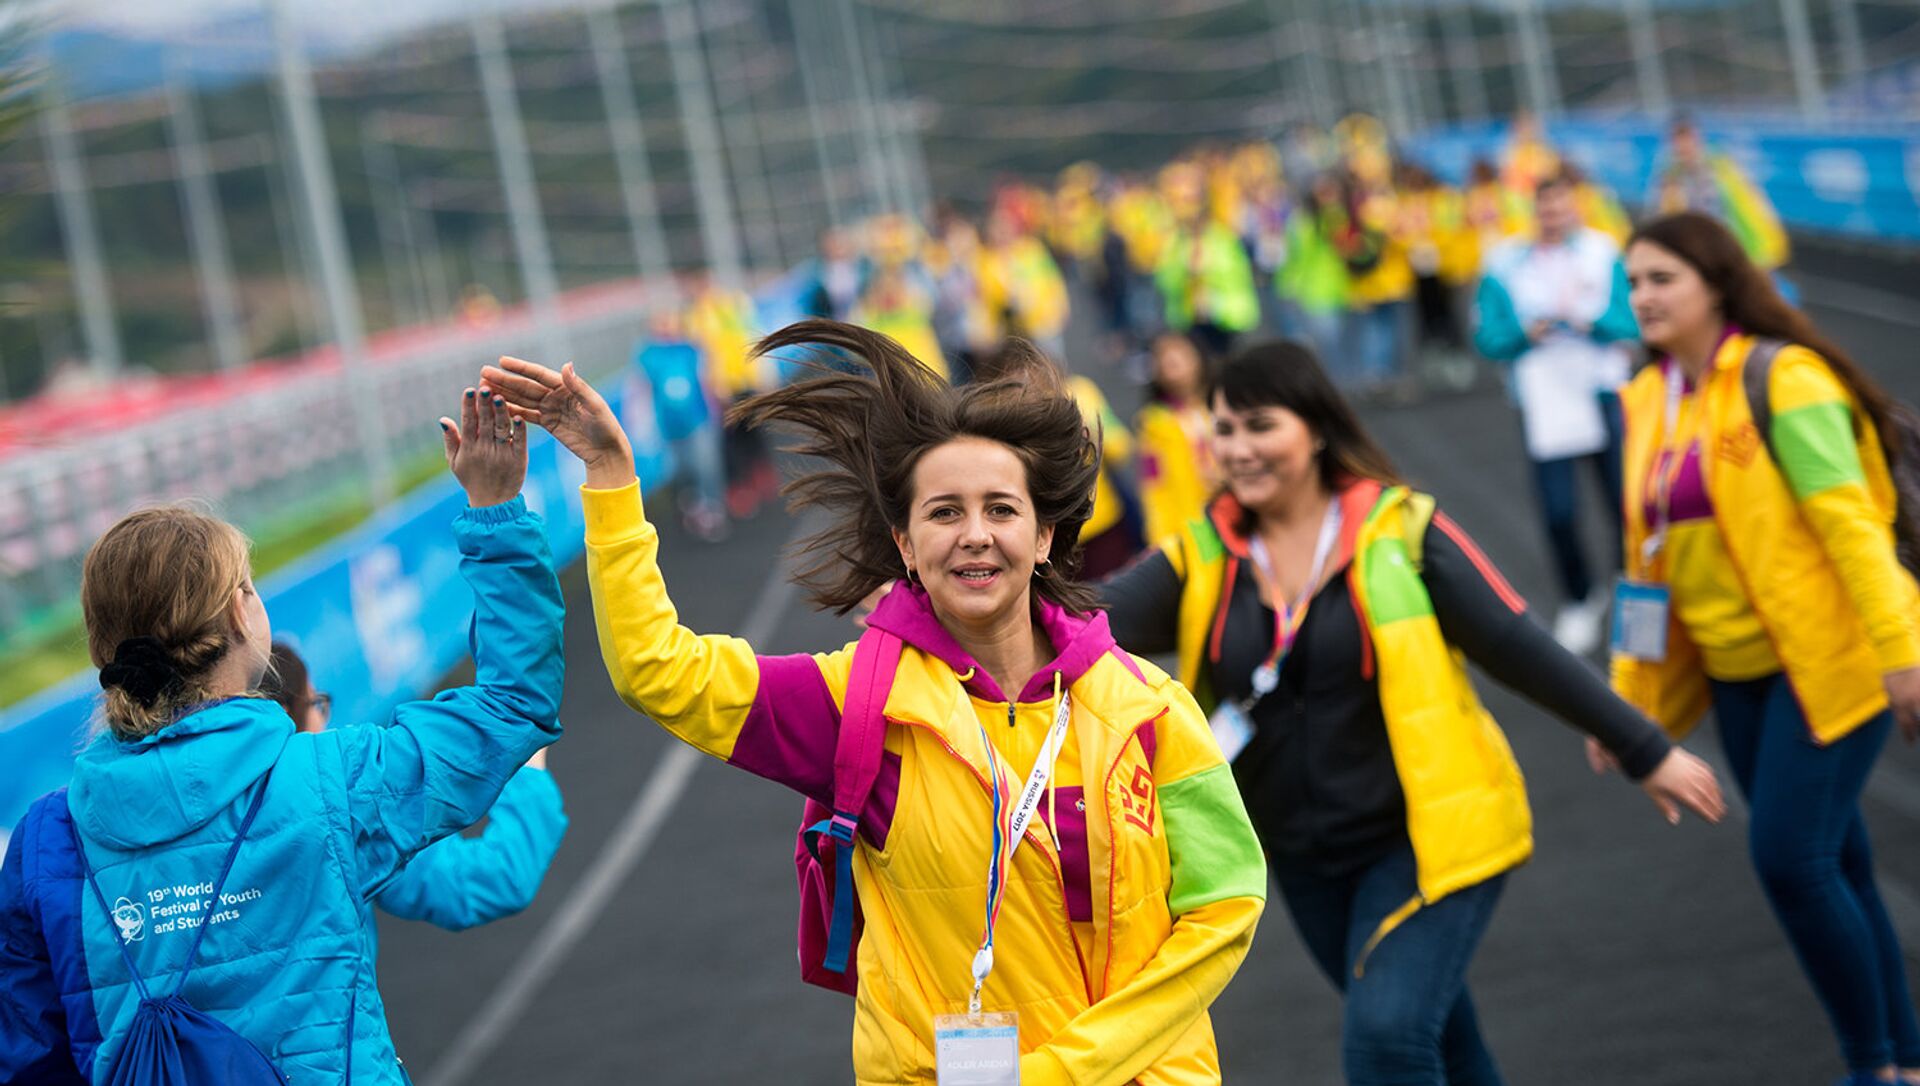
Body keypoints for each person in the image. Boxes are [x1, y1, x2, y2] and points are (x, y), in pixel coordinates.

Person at [484, 320, 1267, 1085]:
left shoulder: (1148, 708)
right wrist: (614, 481)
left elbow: (1224, 903)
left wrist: (1067, 1070)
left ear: (1046, 537)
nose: (973, 535)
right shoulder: (855, 703)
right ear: (904, 545)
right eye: (943, 512)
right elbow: (657, 670)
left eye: (1001, 509)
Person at [1098, 341, 1724, 1085]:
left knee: (1387, 1040)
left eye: (1259, 425)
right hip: (1301, 859)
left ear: (1317, 429)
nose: (1237, 448)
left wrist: (1643, 747)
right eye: (1224, 429)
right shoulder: (1200, 556)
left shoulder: (1403, 532)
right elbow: (1077, 624)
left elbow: (1515, 641)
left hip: (1429, 842)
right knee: (1443, 1042)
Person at [0, 382, 564, 1083]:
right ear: (242, 617)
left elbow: (28, 1063)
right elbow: (514, 703)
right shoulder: (329, 781)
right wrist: (496, 507)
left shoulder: (43, 841)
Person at [1614, 211, 1920, 1086]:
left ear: (1716, 281)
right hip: (1735, 677)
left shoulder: (1783, 379)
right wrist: (1624, 701)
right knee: (1839, 861)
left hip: (1833, 658)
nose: (1643, 297)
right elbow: (1641, 565)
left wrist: (1901, 651)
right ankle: (1903, 1059)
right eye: (1633, 282)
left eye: (1662, 278)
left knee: (1791, 859)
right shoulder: (1648, 400)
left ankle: (1873, 1068)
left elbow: (1853, 527)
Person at [263, 641, 567, 934]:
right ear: (291, 720)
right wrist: (528, 772)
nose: (324, 720)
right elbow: (493, 879)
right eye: (316, 704)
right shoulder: (345, 811)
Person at [1473, 168, 1639, 655]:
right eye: (1545, 206)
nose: (1554, 215)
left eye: (1562, 205)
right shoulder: (1504, 263)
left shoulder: (1604, 251)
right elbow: (1488, 337)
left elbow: (1631, 319)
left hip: (1603, 391)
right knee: (1559, 511)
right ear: (1534, 210)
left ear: (1576, 205)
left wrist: (1589, 321)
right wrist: (1528, 333)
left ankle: (1633, 595)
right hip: (1544, 400)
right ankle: (1580, 597)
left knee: (1625, 504)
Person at [1649, 115, 1789, 272]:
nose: (1684, 146)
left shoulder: (1722, 169)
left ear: (1697, 138)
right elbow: (1666, 219)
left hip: (1737, 252)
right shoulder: (1668, 177)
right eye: (1678, 139)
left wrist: (1766, 250)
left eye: (1687, 138)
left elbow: (1752, 209)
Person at [1155, 160, 1261, 361]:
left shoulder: (1222, 237)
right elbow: (1164, 281)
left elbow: (1238, 274)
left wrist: (1207, 270)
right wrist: (1185, 273)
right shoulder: (1174, 243)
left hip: (1226, 318)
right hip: (1190, 320)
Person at [1135, 330, 1219, 548]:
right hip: (1194, 530)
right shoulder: (1153, 423)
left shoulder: (1221, 406)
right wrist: (1160, 537)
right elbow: (1153, 484)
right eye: (1161, 355)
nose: (1170, 360)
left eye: (1178, 351)